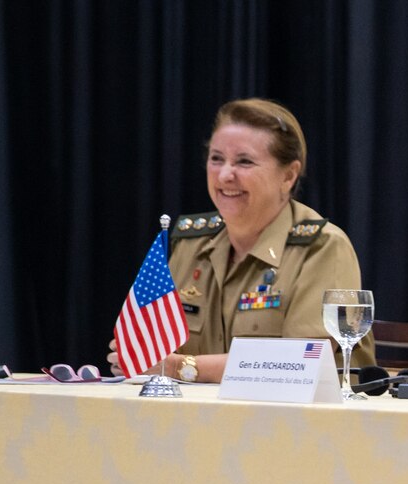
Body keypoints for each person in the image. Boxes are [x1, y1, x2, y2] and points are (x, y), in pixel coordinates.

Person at [108, 98, 374, 383]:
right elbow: (152, 345)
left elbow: (302, 361)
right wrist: (135, 355)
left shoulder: (322, 247)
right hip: (196, 420)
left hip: (301, 422)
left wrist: (180, 367)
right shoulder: (191, 243)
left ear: (288, 175)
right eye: (216, 158)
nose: (225, 175)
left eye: (244, 161)